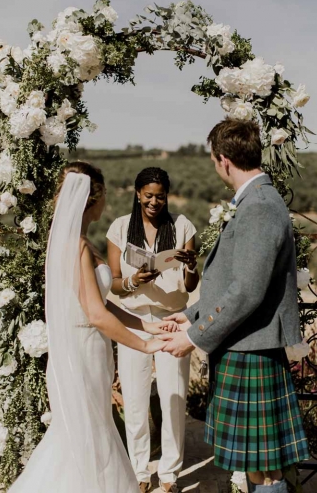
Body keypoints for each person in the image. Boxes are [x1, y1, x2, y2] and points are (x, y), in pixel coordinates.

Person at [160, 119, 309, 493]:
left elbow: (247, 291)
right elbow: (234, 277)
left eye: (213, 160)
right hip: (246, 344)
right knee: (258, 467)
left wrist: (193, 337)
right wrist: (192, 313)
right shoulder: (255, 200)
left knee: (266, 470)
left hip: (251, 349)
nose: (215, 167)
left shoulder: (258, 205)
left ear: (224, 160)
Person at [9, 162, 176, 493]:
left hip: (89, 351)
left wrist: (148, 326)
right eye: (103, 197)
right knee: (82, 437)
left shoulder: (80, 243)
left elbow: (103, 303)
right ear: (93, 199)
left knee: (88, 433)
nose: (106, 205)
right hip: (81, 355)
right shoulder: (79, 248)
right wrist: (144, 346)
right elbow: (96, 315)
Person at [106, 167, 199, 493]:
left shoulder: (182, 225)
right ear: (137, 194)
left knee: (174, 397)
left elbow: (190, 286)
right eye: (149, 196)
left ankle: (170, 475)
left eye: (160, 196)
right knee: (134, 397)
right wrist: (134, 280)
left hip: (172, 318)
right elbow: (115, 285)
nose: (155, 202)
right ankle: (139, 472)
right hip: (134, 319)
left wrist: (190, 266)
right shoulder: (119, 228)